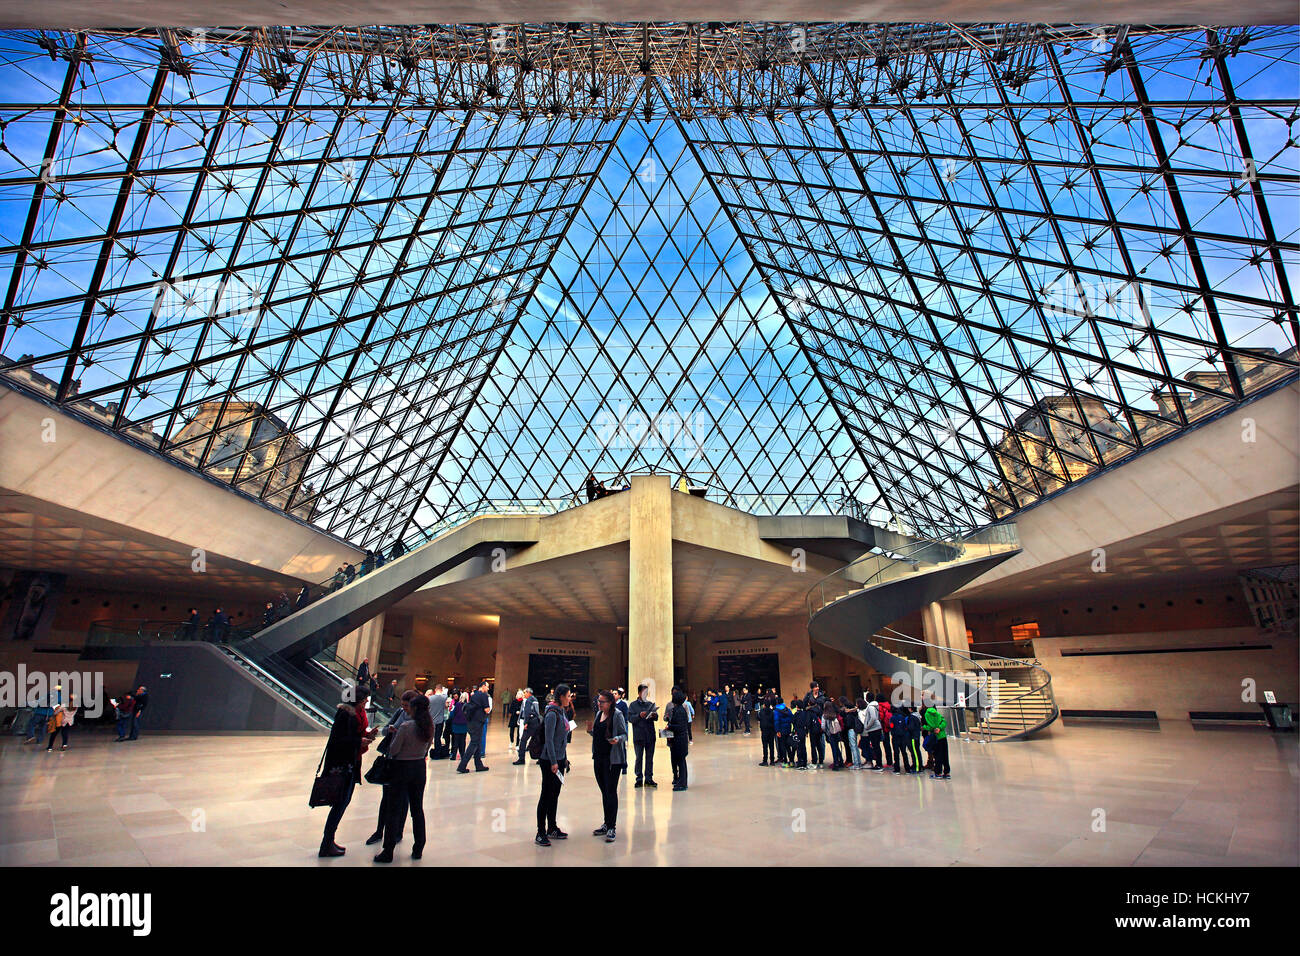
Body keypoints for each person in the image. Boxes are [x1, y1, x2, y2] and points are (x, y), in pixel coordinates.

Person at [319, 684, 377, 857]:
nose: (367, 701)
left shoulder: (353, 714)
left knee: (342, 802)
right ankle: (326, 843)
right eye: (365, 698)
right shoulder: (346, 715)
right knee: (340, 803)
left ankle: (328, 841)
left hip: (349, 763)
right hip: (342, 765)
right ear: (357, 699)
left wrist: (364, 737)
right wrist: (359, 742)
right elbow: (339, 741)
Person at [374, 693, 433, 863]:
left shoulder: (406, 727)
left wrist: (395, 734)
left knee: (393, 810)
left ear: (414, 709)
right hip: (419, 768)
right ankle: (418, 847)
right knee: (417, 809)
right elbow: (427, 747)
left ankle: (388, 850)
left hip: (401, 768)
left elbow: (393, 750)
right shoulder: (429, 727)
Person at [367, 690, 417, 849]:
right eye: (402, 705)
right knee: (386, 798)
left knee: (403, 800)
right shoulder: (400, 713)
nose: (404, 708)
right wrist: (390, 729)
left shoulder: (420, 718)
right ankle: (379, 830)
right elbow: (385, 730)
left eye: (406, 705)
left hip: (406, 762)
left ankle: (398, 831)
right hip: (392, 759)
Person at [535, 683, 572, 847]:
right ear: (562, 696)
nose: (570, 698)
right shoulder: (551, 714)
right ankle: (540, 832)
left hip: (559, 759)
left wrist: (564, 758)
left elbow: (561, 739)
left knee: (554, 794)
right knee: (546, 795)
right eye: (569, 695)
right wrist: (553, 761)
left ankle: (552, 827)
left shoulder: (562, 712)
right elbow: (549, 740)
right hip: (549, 761)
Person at [589, 689, 627, 842]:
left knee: (611, 791)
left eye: (602, 702)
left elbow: (625, 734)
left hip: (612, 760)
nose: (599, 704)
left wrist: (617, 739)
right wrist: (591, 732)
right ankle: (606, 822)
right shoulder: (599, 714)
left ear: (610, 703)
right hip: (598, 757)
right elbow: (599, 733)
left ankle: (612, 826)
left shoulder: (617, 715)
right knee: (604, 791)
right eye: (598, 701)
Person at [627, 683, 658, 787]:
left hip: (650, 735)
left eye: (647, 692)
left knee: (650, 759)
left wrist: (654, 715)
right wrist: (639, 715)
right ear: (639, 693)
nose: (645, 694)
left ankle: (649, 778)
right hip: (639, 736)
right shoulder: (633, 705)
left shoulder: (650, 704)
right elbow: (630, 719)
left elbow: (656, 718)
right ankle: (639, 778)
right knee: (638, 758)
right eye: (644, 692)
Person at [457, 680, 491, 773]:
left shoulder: (474, 695)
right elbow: (487, 709)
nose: (488, 688)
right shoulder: (484, 696)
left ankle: (478, 765)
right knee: (474, 743)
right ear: (483, 686)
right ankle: (462, 766)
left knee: (477, 743)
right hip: (478, 723)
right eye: (487, 686)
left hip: (471, 722)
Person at [665, 688, 691, 791]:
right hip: (680, 739)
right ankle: (681, 781)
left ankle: (682, 783)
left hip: (680, 740)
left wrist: (670, 726)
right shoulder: (679, 709)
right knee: (681, 761)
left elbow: (680, 726)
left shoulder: (679, 711)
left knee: (681, 762)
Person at [514, 687, 540, 765]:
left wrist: (526, 723)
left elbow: (527, 712)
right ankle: (541, 758)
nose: (524, 694)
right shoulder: (535, 699)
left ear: (529, 692)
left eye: (525, 692)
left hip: (531, 722)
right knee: (538, 740)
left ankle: (521, 758)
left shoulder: (528, 701)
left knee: (523, 740)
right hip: (536, 721)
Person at [924, 704, 950, 779]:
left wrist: (924, 727)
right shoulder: (937, 713)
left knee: (937, 755)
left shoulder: (927, 714)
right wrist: (940, 728)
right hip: (943, 736)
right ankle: (947, 772)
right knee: (945, 755)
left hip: (936, 738)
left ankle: (938, 772)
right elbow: (943, 722)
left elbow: (931, 726)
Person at [861, 695, 884, 771]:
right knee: (876, 747)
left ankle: (879, 764)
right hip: (875, 728)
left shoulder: (870, 707)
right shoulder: (874, 706)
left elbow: (873, 718)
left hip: (873, 729)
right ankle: (879, 763)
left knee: (876, 747)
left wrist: (867, 726)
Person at [892, 704, 915, 775]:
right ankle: (907, 769)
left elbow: (891, 726)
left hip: (895, 737)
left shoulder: (892, 718)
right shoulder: (903, 717)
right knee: (904, 752)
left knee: (896, 753)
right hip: (903, 737)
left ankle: (897, 769)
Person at [772, 694, 793, 766]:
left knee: (782, 745)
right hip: (788, 730)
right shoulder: (787, 709)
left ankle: (785, 762)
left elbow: (776, 721)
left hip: (781, 730)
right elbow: (791, 718)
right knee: (788, 746)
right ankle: (791, 761)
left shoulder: (776, 711)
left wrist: (777, 731)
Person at [428, 683, 447, 756]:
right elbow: (445, 693)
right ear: (441, 690)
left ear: (435, 690)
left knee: (429, 737)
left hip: (431, 720)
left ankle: (426, 752)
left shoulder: (430, 698)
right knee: (437, 738)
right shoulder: (443, 698)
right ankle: (437, 753)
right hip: (440, 720)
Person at [449, 693, 469, 763]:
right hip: (464, 725)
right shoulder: (468, 705)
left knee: (456, 740)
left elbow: (452, 714)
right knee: (463, 740)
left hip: (456, 724)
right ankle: (462, 755)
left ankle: (454, 755)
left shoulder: (457, 704)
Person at [791, 699, 810, 769]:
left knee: (799, 747)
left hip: (798, 731)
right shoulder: (804, 713)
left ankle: (800, 762)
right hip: (803, 731)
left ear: (796, 706)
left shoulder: (796, 714)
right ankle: (804, 761)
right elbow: (807, 722)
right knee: (803, 746)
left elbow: (793, 721)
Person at [758, 694, 776, 766]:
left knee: (765, 746)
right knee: (771, 746)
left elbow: (758, 718)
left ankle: (765, 760)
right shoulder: (772, 712)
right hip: (771, 730)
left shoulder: (761, 712)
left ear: (764, 705)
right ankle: (772, 760)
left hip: (764, 730)